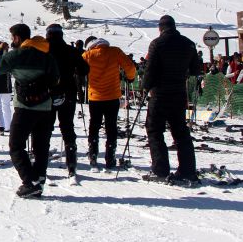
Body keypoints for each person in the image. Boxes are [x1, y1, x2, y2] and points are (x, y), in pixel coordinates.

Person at [0, 23, 60, 199]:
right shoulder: (46, 54)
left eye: (13, 38)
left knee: (16, 145)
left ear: (17, 38)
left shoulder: (17, 55)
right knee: (41, 146)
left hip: (24, 107)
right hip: (45, 105)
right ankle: (39, 179)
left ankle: (30, 181)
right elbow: (56, 79)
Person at [141, 14, 201, 184]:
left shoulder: (157, 44)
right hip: (179, 93)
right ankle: (187, 170)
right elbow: (196, 69)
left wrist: (145, 87)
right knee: (180, 131)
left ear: (161, 28)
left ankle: (160, 169)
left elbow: (150, 70)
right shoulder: (188, 44)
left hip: (160, 94)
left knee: (154, 130)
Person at [82, 37, 137, 170]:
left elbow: (78, 69)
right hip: (112, 96)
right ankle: (110, 156)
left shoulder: (88, 55)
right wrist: (130, 78)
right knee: (111, 126)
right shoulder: (115, 52)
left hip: (95, 97)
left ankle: (93, 153)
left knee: (94, 125)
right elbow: (130, 67)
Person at [45, 23, 90, 181]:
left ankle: (42, 163)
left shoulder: (44, 50)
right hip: (68, 92)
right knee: (67, 127)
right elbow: (85, 70)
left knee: (45, 128)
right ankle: (71, 164)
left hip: (48, 93)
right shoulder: (71, 51)